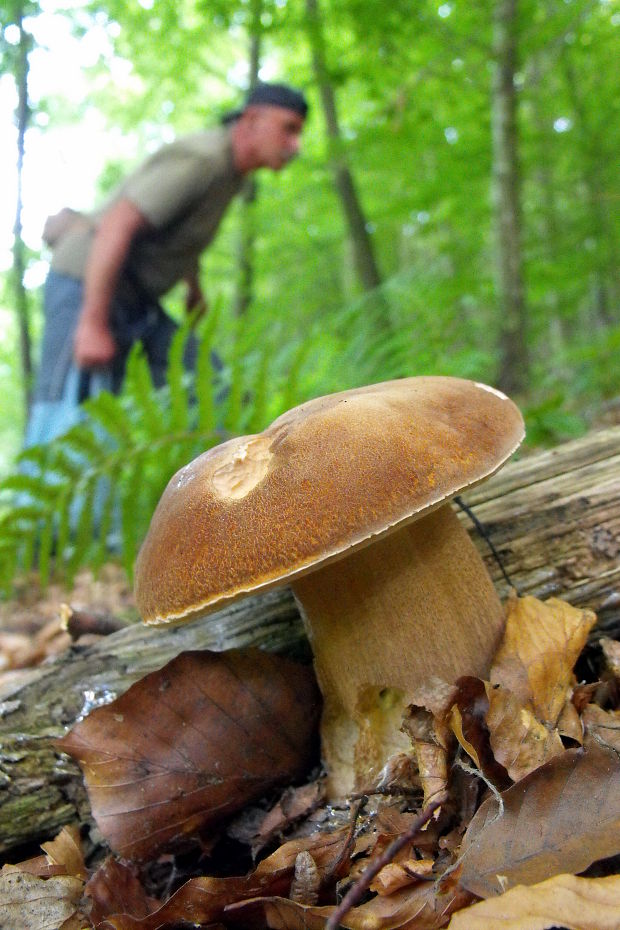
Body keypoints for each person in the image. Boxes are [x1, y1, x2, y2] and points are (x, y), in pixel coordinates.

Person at [25, 81, 308, 448]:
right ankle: (39, 505)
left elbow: (178, 233)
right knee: (74, 419)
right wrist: (92, 322)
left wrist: (193, 285)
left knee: (212, 387)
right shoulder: (203, 159)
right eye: (289, 129)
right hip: (87, 285)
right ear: (253, 119)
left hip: (137, 301)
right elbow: (117, 223)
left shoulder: (231, 176)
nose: (295, 145)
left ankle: (246, 496)